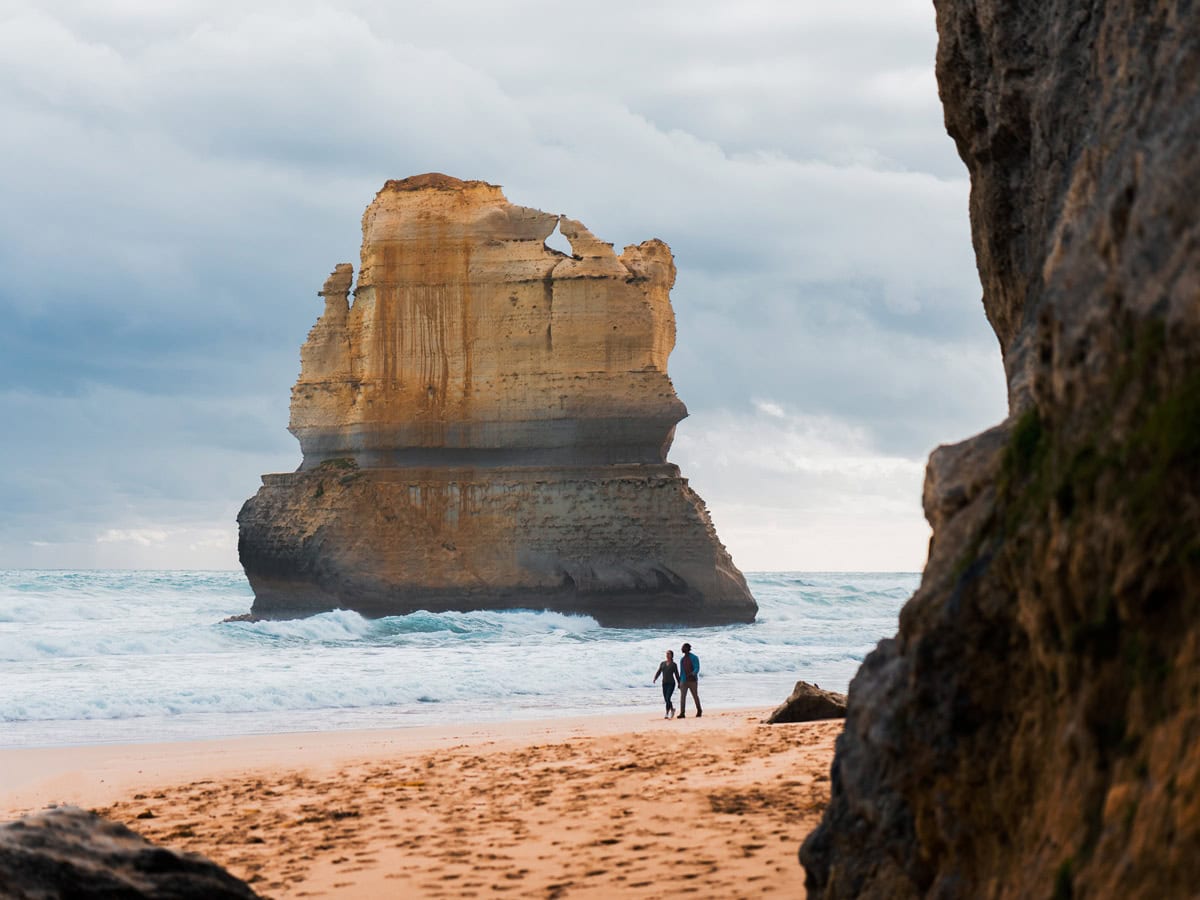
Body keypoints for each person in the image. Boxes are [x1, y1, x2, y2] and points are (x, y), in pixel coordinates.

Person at [652, 649, 680, 719]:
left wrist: (679, 683)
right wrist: (655, 678)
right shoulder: (662, 663)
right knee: (666, 699)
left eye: (669, 654)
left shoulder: (674, 665)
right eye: (666, 654)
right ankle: (672, 709)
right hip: (664, 683)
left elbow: (676, 674)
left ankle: (667, 713)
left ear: (671, 655)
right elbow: (659, 671)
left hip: (671, 683)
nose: (667, 655)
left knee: (668, 698)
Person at [677, 642, 701, 718]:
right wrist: (679, 681)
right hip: (683, 681)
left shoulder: (694, 657)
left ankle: (699, 710)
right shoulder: (682, 659)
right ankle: (682, 713)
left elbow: (697, 668)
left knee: (695, 696)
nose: (682, 649)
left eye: (683, 647)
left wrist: (693, 673)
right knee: (682, 697)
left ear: (687, 648)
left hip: (692, 681)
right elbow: (681, 671)